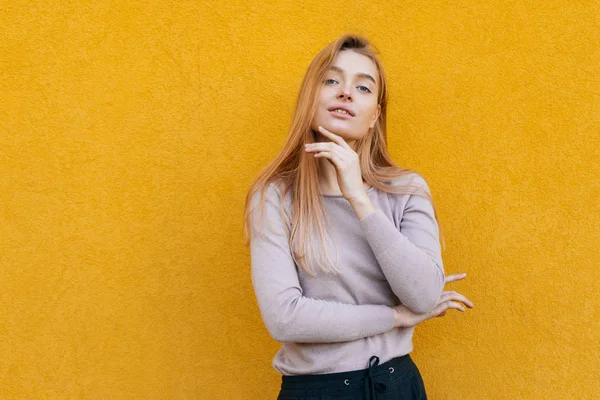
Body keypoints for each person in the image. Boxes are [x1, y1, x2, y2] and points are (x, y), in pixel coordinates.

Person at [243, 34, 474, 400]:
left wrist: (359, 199)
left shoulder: (406, 189)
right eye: (332, 81)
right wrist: (394, 318)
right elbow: (285, 317)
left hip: (397, 385)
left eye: (363, 87)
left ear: (374, 117)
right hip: (316, 391)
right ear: (309, 100)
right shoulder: (274, 196)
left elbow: (424, 294)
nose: (346, 93)